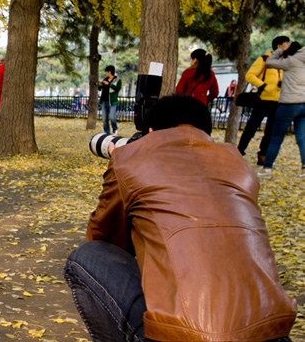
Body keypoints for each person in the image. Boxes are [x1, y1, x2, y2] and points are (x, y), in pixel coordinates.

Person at [64, 94, 297, 342]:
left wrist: (121, 159)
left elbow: (105, 240)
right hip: (273, 333)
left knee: (86, 257)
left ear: (150, 131)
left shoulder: (130, 157)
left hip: (186, 335)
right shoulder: (238, 163)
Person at [237, 36, 289, 166]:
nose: (289, 46)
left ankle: (263, 154)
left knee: (270, 130)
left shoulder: (286, 61)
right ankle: (239, 151)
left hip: (278, 100)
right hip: (263, 99)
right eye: (286, 44)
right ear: (279, 46)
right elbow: (250, 75)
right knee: (252, 127)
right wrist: (262, 85)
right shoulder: (264, 59)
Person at [260, 41, 305, 177]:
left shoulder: (290, 62)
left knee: (276, 138)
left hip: (288, 104)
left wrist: (280, 50)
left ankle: (267, 168)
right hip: (303, 104)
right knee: (302, 137)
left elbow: (269, 62)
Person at [98, 65, 122, 135]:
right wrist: (99, 85)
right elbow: (100, 89)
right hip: (104, 101)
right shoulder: (105, 79)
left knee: (112, 117)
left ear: (110, 72)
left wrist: (109, 84)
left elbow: (117, 89)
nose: (105, 73)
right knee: (104, 119)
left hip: (112, 101)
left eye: (106, 72)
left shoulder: (117, 80)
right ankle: (107, 132)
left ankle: (115, 129)